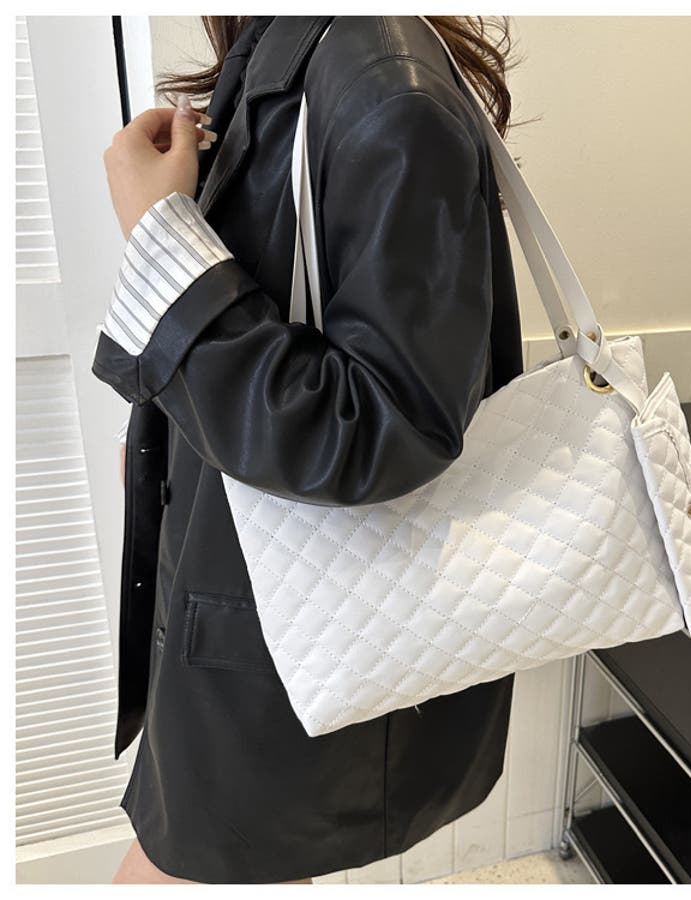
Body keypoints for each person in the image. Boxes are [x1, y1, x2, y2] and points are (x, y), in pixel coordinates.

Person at [93, 15, 527, 884]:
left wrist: (160, 235)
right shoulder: (295, 55)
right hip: (260, 603)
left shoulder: (384, 86)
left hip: (289, 634)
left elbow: (384, 425)